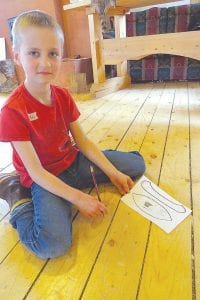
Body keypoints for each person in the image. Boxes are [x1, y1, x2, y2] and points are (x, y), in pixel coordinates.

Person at [0, 10, 145, 259]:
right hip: (43, 177)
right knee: (52, 246)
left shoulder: (63, 96)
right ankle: (17, 197)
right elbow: (35, 171)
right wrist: (77, 198)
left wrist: (113, 172)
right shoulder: (12, 110)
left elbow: (84, 142)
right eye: (34, 53)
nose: (45, 62)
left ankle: (87, 179)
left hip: (72, 162)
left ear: (60, 55)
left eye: (52, 53)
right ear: (17, 56)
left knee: (135, 165)